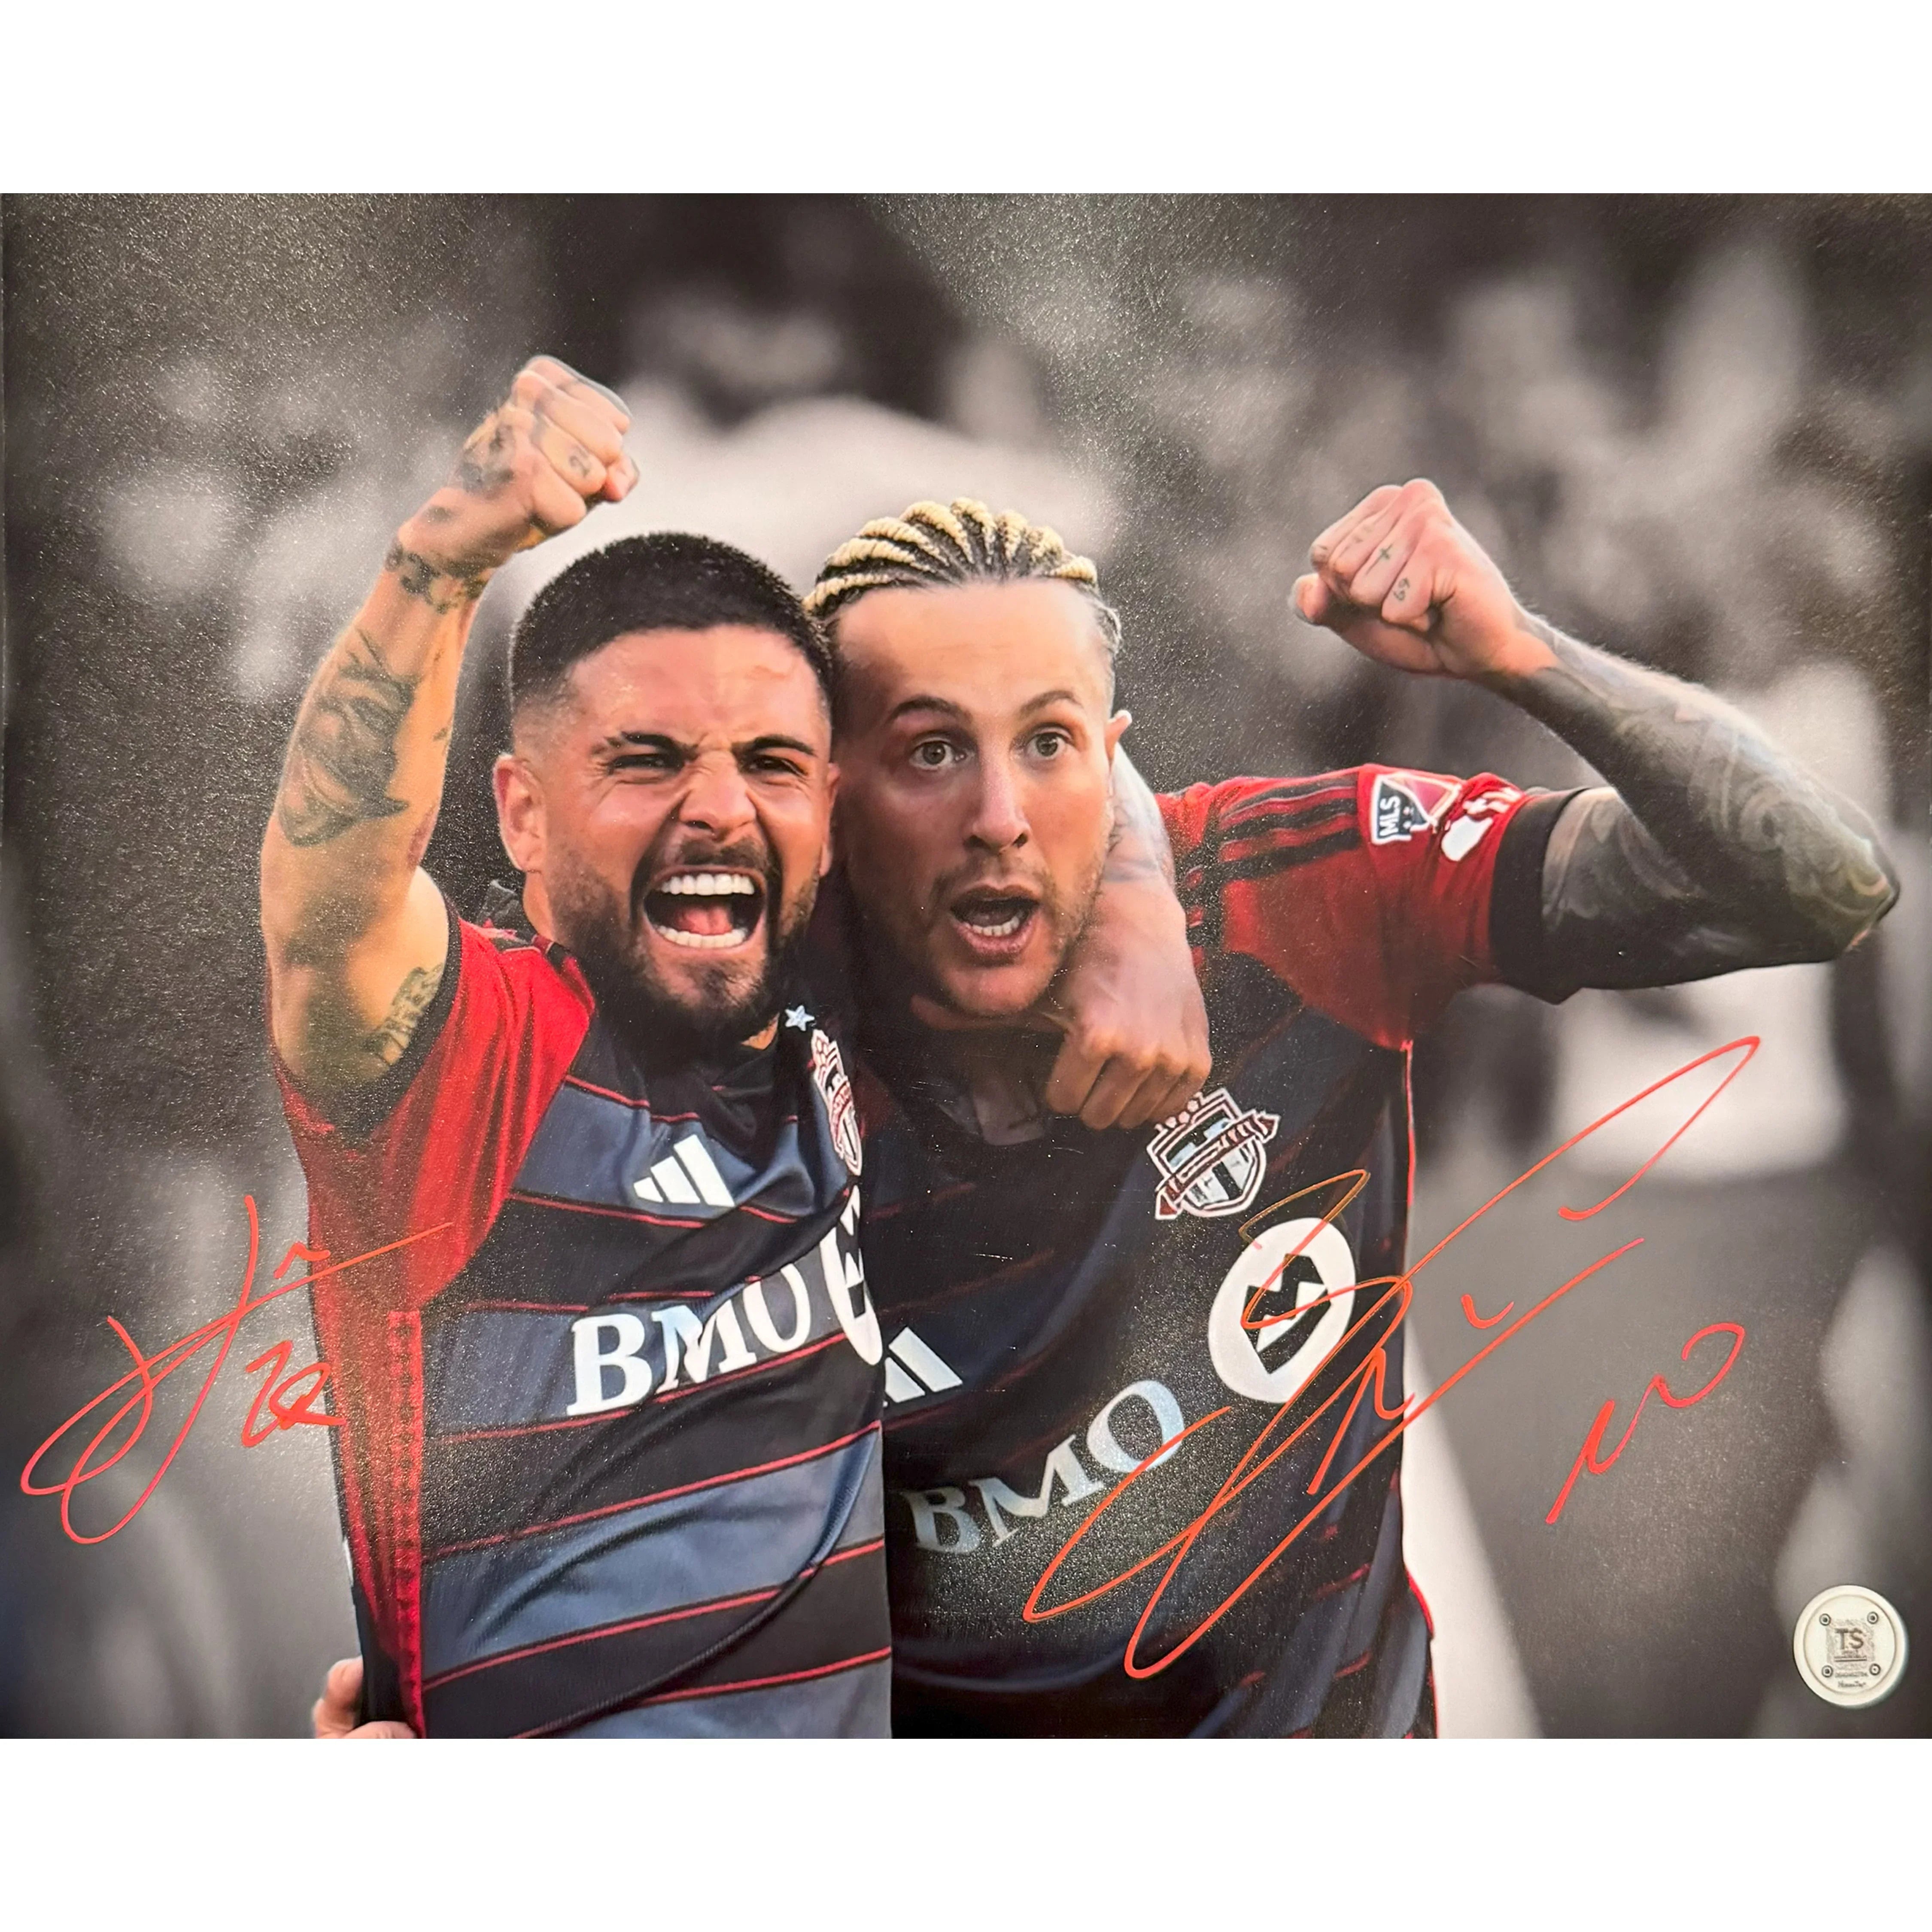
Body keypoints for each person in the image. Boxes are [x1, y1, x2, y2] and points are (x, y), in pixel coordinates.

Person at [790, 484, 1901, 1737]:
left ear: (1110, 755)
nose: (998, 818)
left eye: (1048, 743)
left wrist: (1523, 654)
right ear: (827, 793)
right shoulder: (741, 1056)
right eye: (930, 752)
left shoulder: (1296, 892)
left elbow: (1824, 883)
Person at [273, 361, 1208, 1738]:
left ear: (826, 810)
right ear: (522, 815)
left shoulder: (840, 1018)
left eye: (769, 763)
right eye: (646, 759)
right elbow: (330, 905)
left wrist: (1135, 893)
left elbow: (1030, 684)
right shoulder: (476, 1056)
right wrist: (441, 560)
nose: (718, 806)